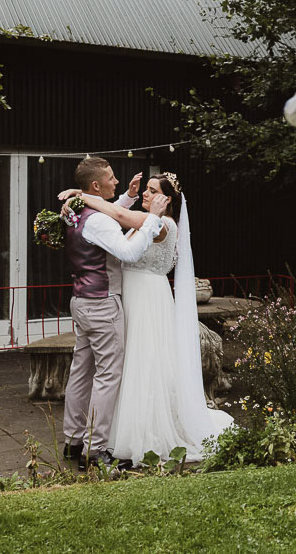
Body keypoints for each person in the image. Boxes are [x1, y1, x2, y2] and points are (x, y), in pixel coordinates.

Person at [63, 171, 234, 465]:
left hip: (147, 298)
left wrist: (81, 197)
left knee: (144, 362)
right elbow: (118, 214)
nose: (145, 193)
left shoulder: (162, 223)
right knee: (121, 365)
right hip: (128, 296)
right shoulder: (145, 219)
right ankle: (97, 436)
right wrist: (121, 197)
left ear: (166, 200)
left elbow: (117, 213)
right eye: (146, 189)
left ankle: (142, 431)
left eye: (152, 190)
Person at [60, 158, 170, 471]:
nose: (116, 182)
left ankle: (73, 440)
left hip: (80, 301)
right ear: (95, 186)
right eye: (110, 178)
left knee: (81, 371)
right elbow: (128, 252)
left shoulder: (76, 210)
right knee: (107, 376)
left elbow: (110, 215)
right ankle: (95, 451)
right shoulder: (100, 220)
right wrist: (153, 218)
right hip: (102, 305)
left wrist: (129, 199)